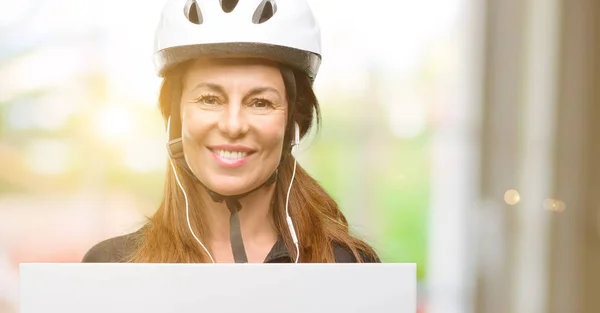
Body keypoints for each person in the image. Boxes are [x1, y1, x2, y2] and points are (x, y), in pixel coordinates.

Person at [82, 0, 379, 263]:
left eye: (260, 102)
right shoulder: (112, 268)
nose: (233, 125)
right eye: (210, 99)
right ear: (175, 118)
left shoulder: (349, 268)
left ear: (292, 124)